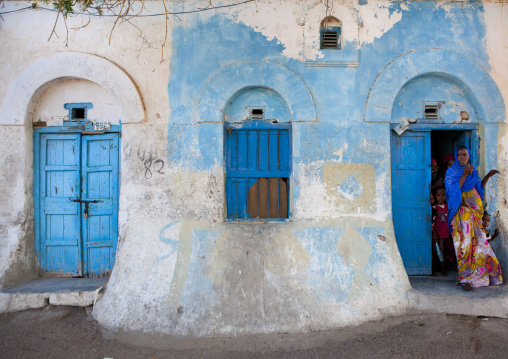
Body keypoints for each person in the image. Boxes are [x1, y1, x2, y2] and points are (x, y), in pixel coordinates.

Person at [445, 146, 502, 291]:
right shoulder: (452, 172)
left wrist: (488, 176)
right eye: (459, 155)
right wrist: (464, 174)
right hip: (461, 217)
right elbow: (453, 193)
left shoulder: (473, 171)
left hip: (475, 216)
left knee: (479, 246)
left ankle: (481, 278)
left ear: (468, 155)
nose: (461, 157)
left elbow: (479, 189)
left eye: (464, 154)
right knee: (463, 246)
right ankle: (465, 279)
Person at [432, 187, 450, 276]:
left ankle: (443, 270)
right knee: (434, 250)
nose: (441, 198)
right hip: (435, 232)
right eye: (438, 195)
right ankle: (432, 270)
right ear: (435, 196)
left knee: (442, 250)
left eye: (443, 195)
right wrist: (433, 232)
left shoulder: (448, 207)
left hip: (444, 232)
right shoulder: (434, 207)